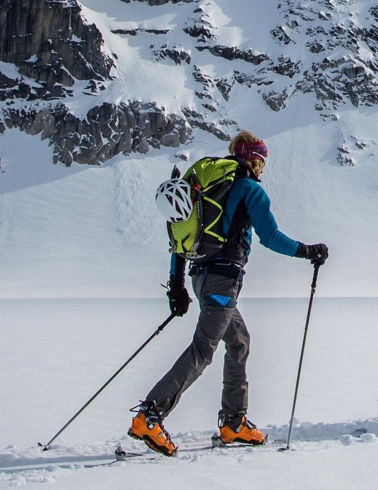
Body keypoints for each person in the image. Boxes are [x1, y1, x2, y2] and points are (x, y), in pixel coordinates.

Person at [129, 131, 329, 455]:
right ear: (255, 159)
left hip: (201, 278)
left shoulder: (206, 188)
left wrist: (177, 285)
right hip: (222, 282)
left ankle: (234, 423)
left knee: (239, 342)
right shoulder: (249, 189)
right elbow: (270, 237)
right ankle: (150, 415)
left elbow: (180, 238)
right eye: (262, 158)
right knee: (202, 350)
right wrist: (309, 251)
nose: (263, 164)